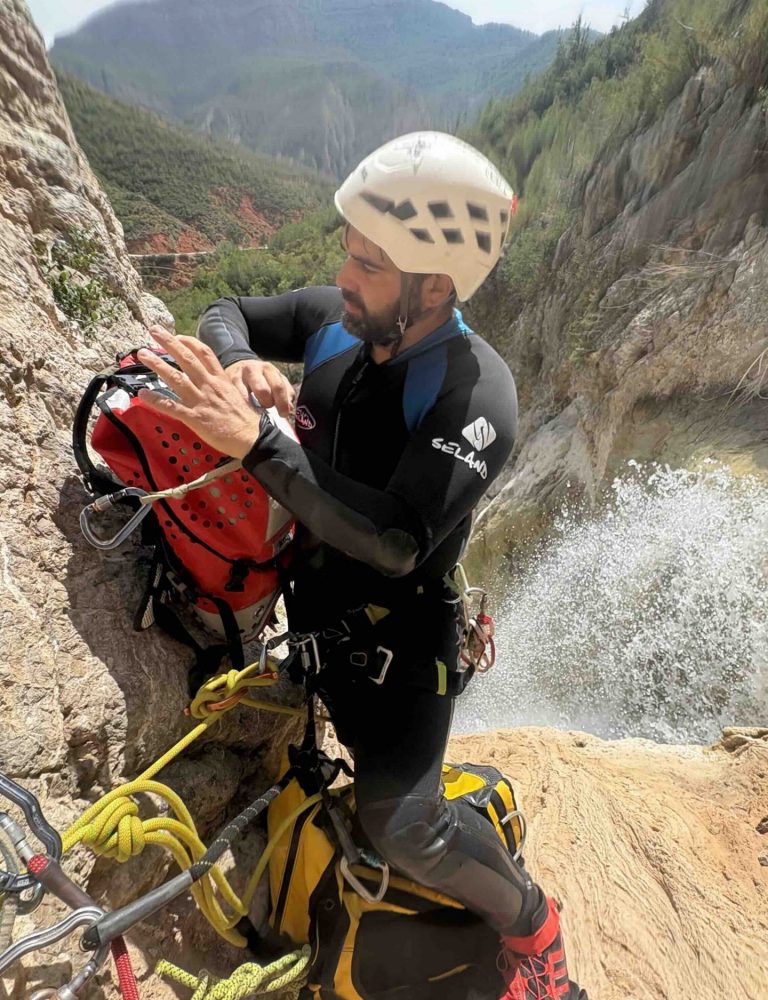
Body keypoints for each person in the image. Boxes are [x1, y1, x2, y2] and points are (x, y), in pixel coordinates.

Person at [136, 132, 586, 1000]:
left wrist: (259, 445)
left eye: (370, 264)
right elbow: (226, 309)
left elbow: (396, 537)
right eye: (348, 250)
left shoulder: (476, 392)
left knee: (403, 823)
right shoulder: (337, 326)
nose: (345, 275)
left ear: (434, 286)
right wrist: (243, 367)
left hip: (399, 649)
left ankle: (534, 928)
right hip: (313, 621)